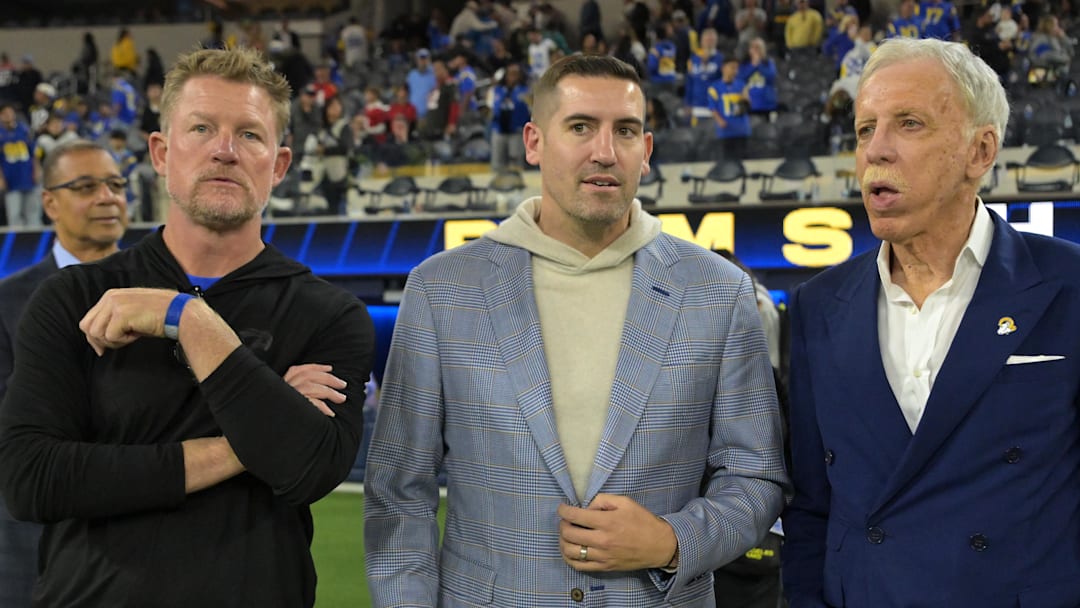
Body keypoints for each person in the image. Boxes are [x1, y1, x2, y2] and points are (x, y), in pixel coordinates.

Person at [364, 53, 789, 607]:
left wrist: (671, 541)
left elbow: (755, 478)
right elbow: (399, 493)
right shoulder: (442, 290)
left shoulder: (718, 291)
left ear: (647, 151)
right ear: (535, 142)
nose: (605, 152)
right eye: (581, 127)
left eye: (626, 131)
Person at [0, 47, 375, 607]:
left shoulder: (329, 314)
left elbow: (307, 470)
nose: (224, 150)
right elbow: (33, 480)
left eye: (249, 134)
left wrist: (187, 318)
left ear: (279, 164)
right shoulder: (72, 297)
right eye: (201, 128)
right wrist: (257, 432)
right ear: (160, 151)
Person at [782, 37, 1080, 608]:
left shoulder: (1068, 287)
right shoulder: (818, 305)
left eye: (908, 123)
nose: (876, 151)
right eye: (866, 129)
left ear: (980, 152)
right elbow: (812, 509)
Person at [0, 138, 127, 608]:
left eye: (116, 184)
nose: (108, 197)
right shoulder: (8, 302)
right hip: (34, 552)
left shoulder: (170, 295)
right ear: (50, 202)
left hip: (152, 550)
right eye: (86, 186)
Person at [0, 102, 41, 228]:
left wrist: (37, 170)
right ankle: (16, 247)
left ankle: (36, 245)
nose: (9, 115)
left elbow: (33, 153)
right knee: (14, 216)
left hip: (28, 176)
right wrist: (1, 178)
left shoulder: (24, 129)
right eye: (5, 113)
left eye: (10, 112)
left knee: (34, 215)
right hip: (11, 180)